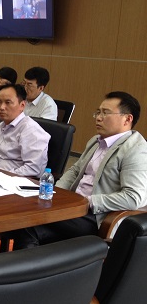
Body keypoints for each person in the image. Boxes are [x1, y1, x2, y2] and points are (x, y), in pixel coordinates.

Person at [11, 91, 147, 249]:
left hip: (96, 216)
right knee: (26, 212)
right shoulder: (96, 141)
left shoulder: (136, 149)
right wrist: (56, 194)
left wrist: (88, 202)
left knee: (29, 222)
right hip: (74, 206)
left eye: (105, 113)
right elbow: (75, 170)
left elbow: (134, 197)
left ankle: (29, 266)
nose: (98, 117)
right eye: (98, 112)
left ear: (127, 119)